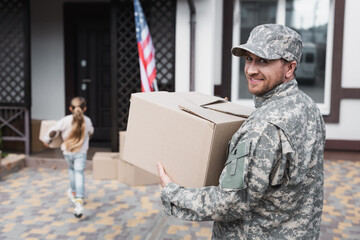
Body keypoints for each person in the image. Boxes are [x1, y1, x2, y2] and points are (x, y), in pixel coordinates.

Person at [157, 24, 326, 239]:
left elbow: (229, 202)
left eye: (263, 61)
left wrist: (173, 192)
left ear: (289, 68)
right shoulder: (308, 107)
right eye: (248, 59)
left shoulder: (262, 128)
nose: (251, 69)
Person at [43, 97, 94, 218]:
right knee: (79, 173)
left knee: (71, 171)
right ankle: (79, 200)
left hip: (68, 152)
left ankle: (73, 192)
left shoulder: (65, 120)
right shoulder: (87, 121)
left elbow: (53, 131)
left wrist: (47, 140)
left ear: (70, 108)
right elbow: (91, 132)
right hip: (81, 152)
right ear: (85, 108)